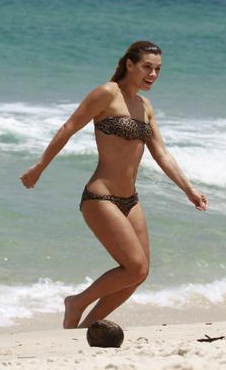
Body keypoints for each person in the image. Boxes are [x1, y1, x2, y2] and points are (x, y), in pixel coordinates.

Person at [20, 40, 208, 329]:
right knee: (134, 266)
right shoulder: (107, 94)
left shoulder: (145, 105)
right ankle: (77, 302)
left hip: (130, 200)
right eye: (147, 67)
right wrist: (40, 167)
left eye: (158, 69)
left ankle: (88, 328)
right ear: (129, 64)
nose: (153, 75)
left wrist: (189, 189)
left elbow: (161, 153)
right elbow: (68, 128)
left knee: (139, 273)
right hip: (101, 197)